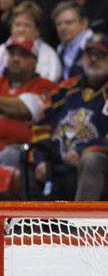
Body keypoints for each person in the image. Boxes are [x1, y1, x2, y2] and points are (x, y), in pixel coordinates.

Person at [33, 32, 108, 199]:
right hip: (58, 166)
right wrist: (41, 159)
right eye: (90, 54)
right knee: (20, 158)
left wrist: (83, 151)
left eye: (101, 55)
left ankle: (82, 224)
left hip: (98, 167)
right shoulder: (65, 90)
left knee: (91, 160)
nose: (94, 59)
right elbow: (41, 124)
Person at [0, 38, 56, 165]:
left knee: (7, 156)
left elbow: (25, 109)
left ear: (34, 62)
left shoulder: (45, 86)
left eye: (23, 55)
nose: (15, 59)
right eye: (12, 55)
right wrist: (7, 108)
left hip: (18, 149)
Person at [0, 0, 62, 82]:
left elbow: (48, 84)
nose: (21, 30)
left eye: (27, 25)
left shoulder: (48, 55)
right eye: (17, 25)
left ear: (37, 30)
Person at [54, 1, 93, 80]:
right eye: (58, 24)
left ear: (83, 24)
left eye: (68, 23)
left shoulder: (96, 45)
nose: (62, 28)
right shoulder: (60, 49)